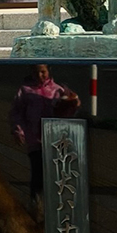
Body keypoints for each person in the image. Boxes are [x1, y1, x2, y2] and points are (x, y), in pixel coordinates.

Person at [9, 64, 79, 200]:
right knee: (37, 173)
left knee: (55, 173)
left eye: (43, 71)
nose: (41, 75)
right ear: (31, 73)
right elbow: (16, 112)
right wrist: (18, 131)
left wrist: (73, 104)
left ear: (49, 71)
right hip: (35, 139)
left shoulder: (58, 90)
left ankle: (54, 204)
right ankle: (36, 204)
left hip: (56, 139)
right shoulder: (25, 90)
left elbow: (66, 113)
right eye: (37, 72)